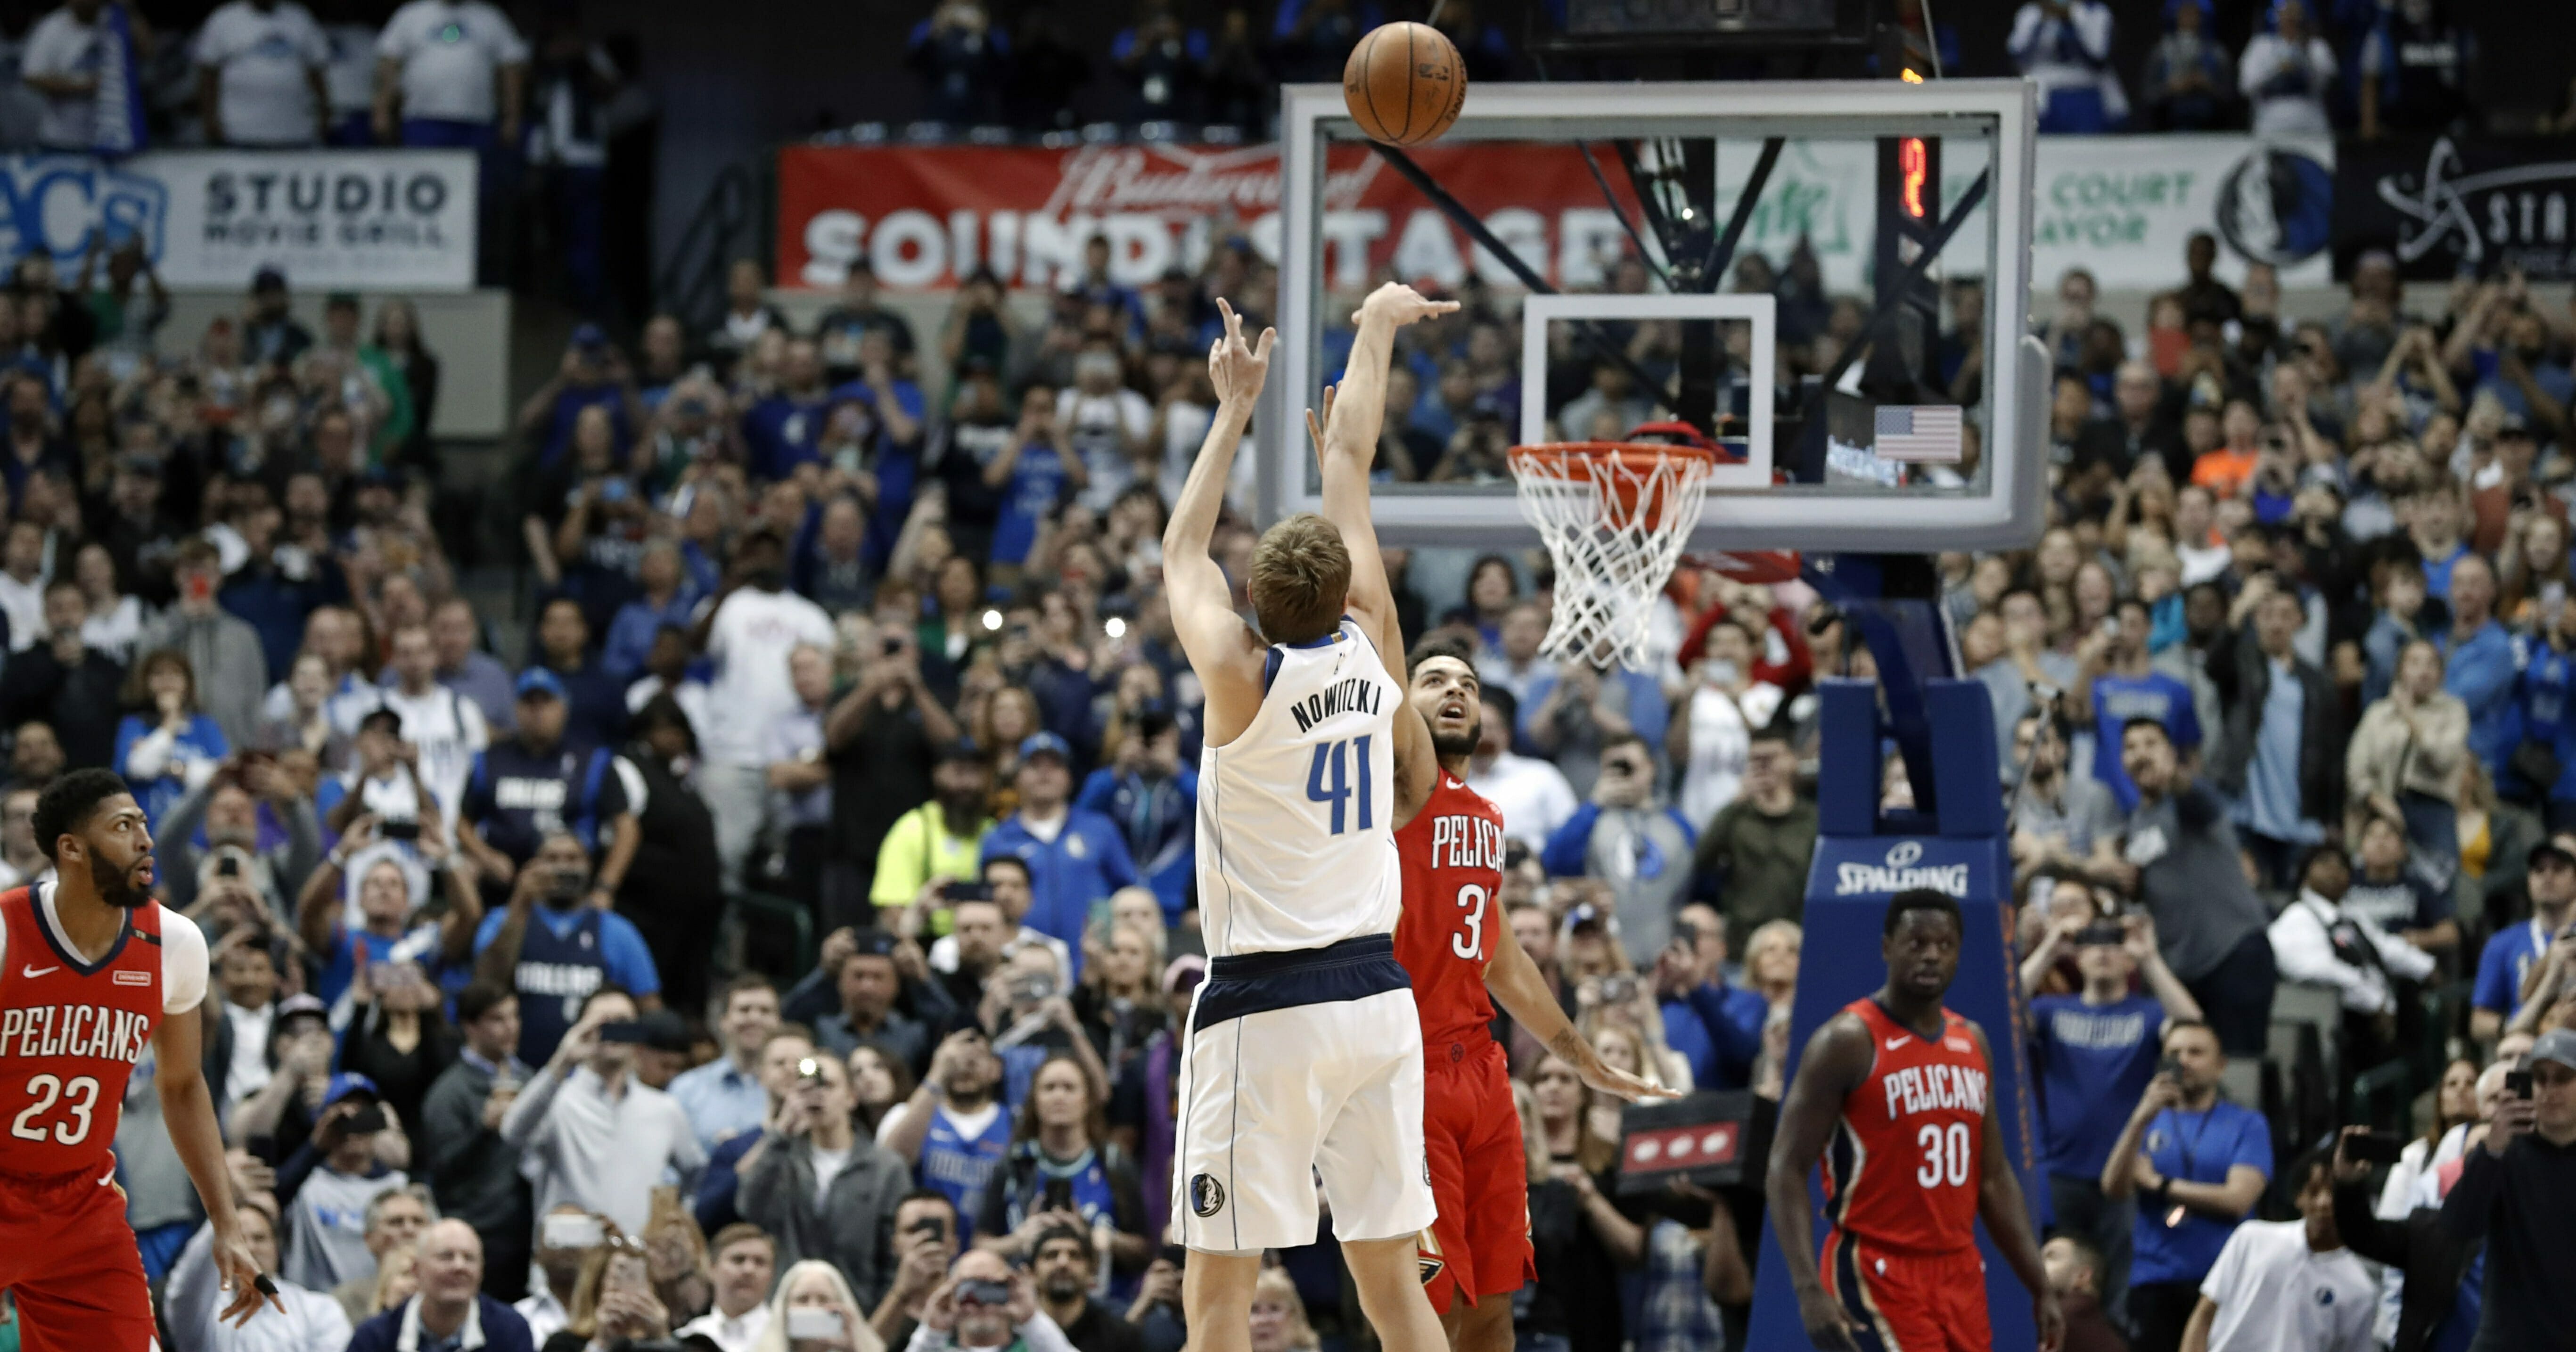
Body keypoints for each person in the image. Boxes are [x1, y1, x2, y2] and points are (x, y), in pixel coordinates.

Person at [1155, 287, 1458, 1352]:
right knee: (1390, 1286)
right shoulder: (1376, 648)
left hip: (1265, 1004)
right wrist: (1375, 320)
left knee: (1217, 1304)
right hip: (1378, 999)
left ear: (1256, 596)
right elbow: (1350, 461)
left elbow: (1178, 555)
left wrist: (1233, 406)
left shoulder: (1237, 676)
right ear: (1343, 591)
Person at [1392, 635, 1669, 1352]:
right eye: (1432, 681)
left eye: (1468, 684)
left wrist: (1580, 1056)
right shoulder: (1396, 786)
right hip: (1407, 1074)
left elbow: (1505, 959)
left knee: (1494, 1305)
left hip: (1483, 1074)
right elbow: (1380, 633)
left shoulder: (1484, 815)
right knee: (1433, 1307)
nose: (1454, 691)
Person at [0, 768, 272, 1348]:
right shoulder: (5, 932)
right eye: (124, 827)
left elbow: (181, 1085)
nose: (146, 840)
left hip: (81, 1200)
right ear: (71, 849)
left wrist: (226, 1222)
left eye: (144, 824)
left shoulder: (174, 943)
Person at [1764, 889, 2061, 1352]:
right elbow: (1786, 1166)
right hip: (1877, 1265)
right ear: (1887, 947)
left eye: (1944, 945)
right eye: (1917, 942)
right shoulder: (1846, 1041)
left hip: (1959, 1268)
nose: (1931, 956)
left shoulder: (1972, 1041)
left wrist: (2040, 1283)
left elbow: (1996, 1177)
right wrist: (1806, 1288)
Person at [2026, 908, 2204, 1333]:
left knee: (2118, 1291)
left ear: (2126, 961)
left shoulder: (2146, 1013)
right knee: (2057, 1285)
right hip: (2061, 1168)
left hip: (2126, 1171)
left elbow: (2192, 1026)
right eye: (2092, 945)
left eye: (2113, 946)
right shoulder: (2052, 1009)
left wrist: (2149, 957)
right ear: (2078, 957)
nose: (2103, 953)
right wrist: (2050, 948)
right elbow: (2004, 1007)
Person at [2100, 1021, 2272, 1352]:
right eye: (2175, 1052)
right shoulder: (2148, 1120)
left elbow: (2238, 1199)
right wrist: (2139, 1118)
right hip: (2154, 1278)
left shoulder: (2247, 1123)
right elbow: (2114, 1187)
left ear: (2220, 1065)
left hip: (2223, 1279)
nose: (2184, 1060)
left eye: (2196, 1052)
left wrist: (2159, 1185)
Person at [2117, 718, 2277, 1055]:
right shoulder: (2135, 821)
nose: (2140, 753)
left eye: (2151, 743)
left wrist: (2173, 776)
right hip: (2182, 968)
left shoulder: (2193, 795)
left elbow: (2191, 794)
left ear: (2172, 753)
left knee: (2237, 1071)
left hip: (2232, 953)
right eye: (2131, 747)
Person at [499, 984, 704, 1238]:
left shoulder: (664, 1109)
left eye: (624, 1024)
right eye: (603, 1023)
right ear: (581, 1030)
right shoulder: (557, 1100)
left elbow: (697, 1174)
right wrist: (564, 1059)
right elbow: (512, 1133)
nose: (615, 1033)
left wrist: (674, 1223)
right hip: (566, 1264)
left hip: (637, 1266)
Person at [698, 525, 837, 892]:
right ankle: (724, 947)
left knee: (788, 869)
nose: (765, 560)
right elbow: (694, 646)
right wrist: (728, 586)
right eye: (755, 550)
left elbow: (833, 678)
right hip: (732, 753)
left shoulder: (811, 615)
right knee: (723, 860)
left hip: (795, 756)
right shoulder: (732, 604)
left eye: (773, 551)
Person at [738, 1049, 914, 1309]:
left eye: (828, 1085)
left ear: (851, 1097)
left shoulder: (885, 1168)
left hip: (856, 1311)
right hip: (788, 1308)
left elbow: (894, 1257)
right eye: (806, 1088)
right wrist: (782, 1130)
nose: (817, 1094)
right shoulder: (782, 1159)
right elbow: (749, 1208)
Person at [470, 829, 661, 1064]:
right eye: (551, 859)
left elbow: (649, 1011)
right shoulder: (504, 920)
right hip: (517, 1070)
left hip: (590, 1074)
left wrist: (612, 1043)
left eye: (573, 859)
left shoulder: (617, 931)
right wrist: (520, 904)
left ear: (589, 866)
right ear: (533, 866)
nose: (563, 868)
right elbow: (484, 987)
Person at [2439, 1028, 2576, 1350]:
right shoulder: (2503, 1154)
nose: (2550, 1090)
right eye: (2540, 1078)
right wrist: (2492, 1149)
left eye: (2563, 1078)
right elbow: (2456, 1225)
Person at [417, 981, 535, 1302]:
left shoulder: (529, 1080)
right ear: (470, 1025)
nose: (511, 1027)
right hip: (481, 1236)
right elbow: (442, 1169)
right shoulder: (450, 1092)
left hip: (528, 1230)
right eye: (498, 1019)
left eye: (515, 1016)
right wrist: (484, 1130)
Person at [2179, 1155, 2372, 1352]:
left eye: (2334, 1193)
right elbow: (2204, 1315)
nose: (2324, 1202)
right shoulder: (2252, 1238)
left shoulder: (2361, 1289)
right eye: (2313, 1192)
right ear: (2299, 1198)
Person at [1690, 728, 1818, 934]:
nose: (1764, 766)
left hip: (1795, 935)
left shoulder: (1811, 818)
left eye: (1772, 758)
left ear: (1792, 760)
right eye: (1756, 760)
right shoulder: (1736, 815)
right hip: (1742, 938)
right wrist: (1738, 802)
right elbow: (1702, 860)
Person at [346, 1219, 537, 1352]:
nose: (459, 1266)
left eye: (469, 1258)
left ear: (481, 1272)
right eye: (446, 1256)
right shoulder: (375, 1337)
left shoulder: (510, 1330)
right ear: (416, 1270)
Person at [671, 975, 784, 1152]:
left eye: (765, 1011)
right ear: (723, 1021)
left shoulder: (791, 1090)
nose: (754, 1018)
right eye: (744, 1010)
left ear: (779, 1022)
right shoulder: (687, 1089)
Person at [2473, 837, 2571, 1040]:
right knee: (2511, 1062)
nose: (2548, 877)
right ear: (2529, 881)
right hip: (2524, 1048)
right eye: (2539, 870)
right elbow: (2478, 1023)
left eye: (2558, 869)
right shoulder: (2502, 943)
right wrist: (2510, 1028)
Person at [195, 0, 330, 146]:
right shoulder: (224, 19)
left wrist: (325, 113)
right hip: (239, 131)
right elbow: (208, 73)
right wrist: (210, 120)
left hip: (295, 131)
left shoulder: (299, 17)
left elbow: (316, 70)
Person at [907, 1248, 1077, 1352]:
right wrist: (933, 1332)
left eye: (993, 1286)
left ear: (1010, 1290)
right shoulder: (935, 1348)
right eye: (970, 1288)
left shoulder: (1037, 1347)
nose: (981, 1301)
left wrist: (1031, 1320)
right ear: (951, 1292)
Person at [1028, 1222, 1142, 1352]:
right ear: (1031, 1273)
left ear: (1091, 1272)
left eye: (1075, 1255)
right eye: (1052, 1255)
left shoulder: (1122, 1337)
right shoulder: (1013, 1336)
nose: (1063, 1263)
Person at [677, 1223, 776, 1352]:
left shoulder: (786, 1338)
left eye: (760, 1262)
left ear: (772, 1274)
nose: (749, 1270)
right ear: (712, 1268)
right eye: (738, 1260)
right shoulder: (688, 1337)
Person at [2039, 1234, 2129, 1352]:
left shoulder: (2054, 1319)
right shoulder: (2112, 1337)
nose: (2038, 1263)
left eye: (2051, 1257)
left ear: (2082, 1276)